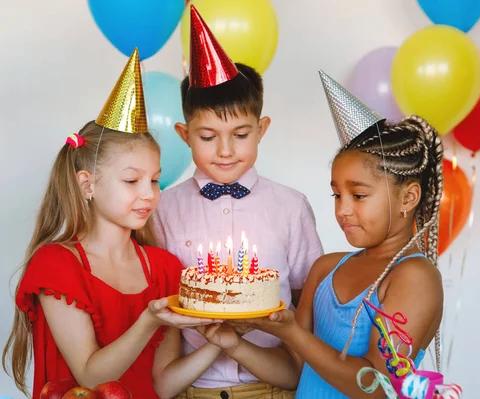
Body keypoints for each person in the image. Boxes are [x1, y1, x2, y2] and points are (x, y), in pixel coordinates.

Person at [199, 71, 445, 398]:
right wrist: (234, 344)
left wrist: (291, 331)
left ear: (409, 198)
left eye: (358, 196)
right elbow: (296, 371)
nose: (342, 209)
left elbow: (379, 387)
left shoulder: (415, 277)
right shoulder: (326, 269)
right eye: (336, 195)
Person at [2, 49, 219, 399]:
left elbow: (162, 385)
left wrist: (221, 342)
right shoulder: (57, 266)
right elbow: (89, 376)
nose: (149, 194)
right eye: (132, 181)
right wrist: (149, 320)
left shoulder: (164, 269)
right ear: (87, 185)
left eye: (154, 181)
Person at [153, 7, 323, 399]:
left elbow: (306, 298)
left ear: (262, 129)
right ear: (184, 134)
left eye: (241, 134)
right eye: (208, 136)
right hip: (191, 388)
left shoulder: (291, 207)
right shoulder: (161, 209)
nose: (226, 150)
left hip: (272, 386)